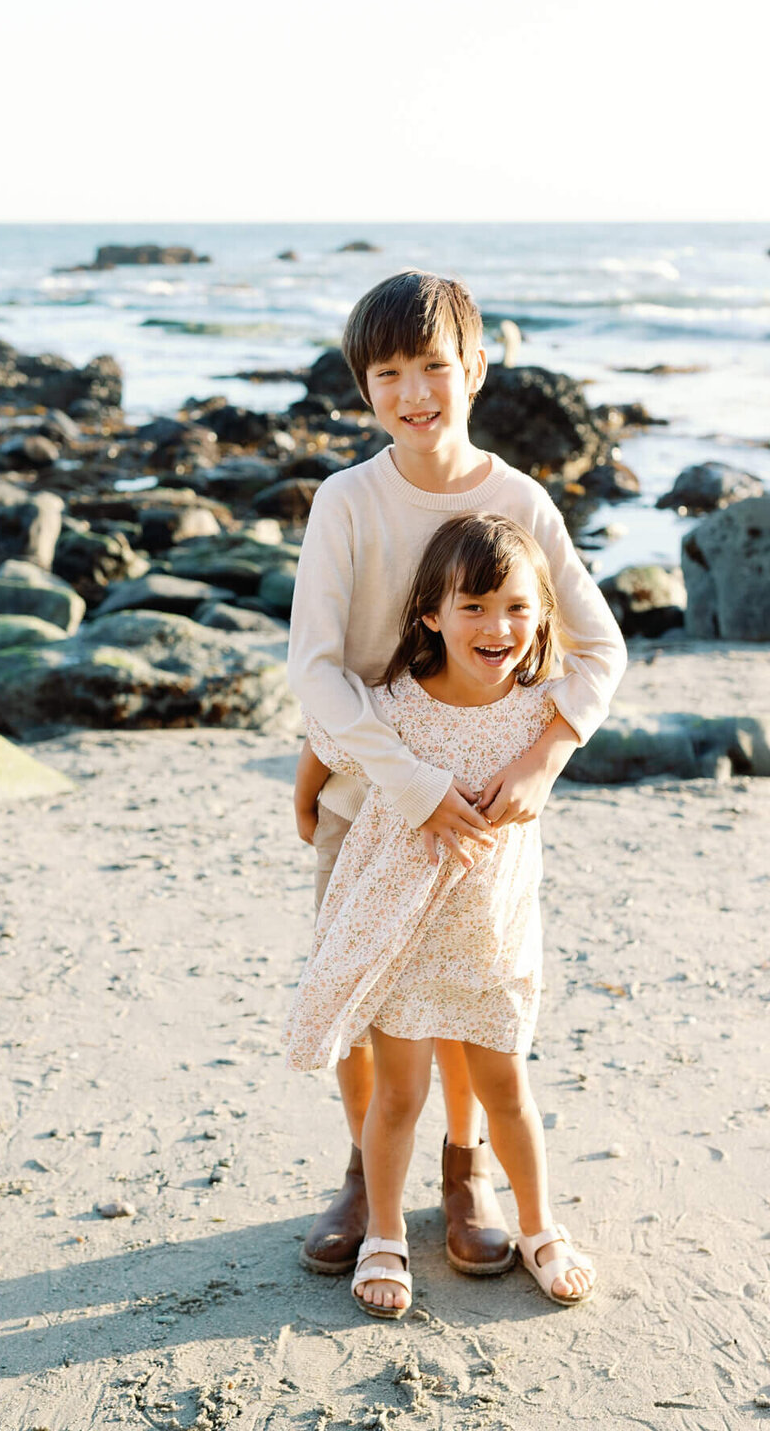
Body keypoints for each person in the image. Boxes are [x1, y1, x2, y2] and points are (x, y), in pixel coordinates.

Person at [286, 269, 626, 1280]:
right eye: (387, 373)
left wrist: (545, 754)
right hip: (369, 800)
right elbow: (316, 669)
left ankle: (465, 1164)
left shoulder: (518, 500)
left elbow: (599, 647)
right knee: (364, 992)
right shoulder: (348, 500)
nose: (413, 391)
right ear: (364, 387)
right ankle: (366, 1171)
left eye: (432, 366)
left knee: (472, 995)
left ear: (475, 368)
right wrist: (406, 784)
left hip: (486, 808)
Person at [286, 514, 597, 1315]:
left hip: (492, 939)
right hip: (408, 938)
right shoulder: (396, 706)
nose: (498, 627)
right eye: (475, 607)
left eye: (517, 608)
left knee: (508, 1091)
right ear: (430, 614)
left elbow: (604, 663)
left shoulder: (542, 714)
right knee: (399, 1095)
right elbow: (325, 739)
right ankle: (385, 1234)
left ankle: (540, 1228)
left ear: (542, 615)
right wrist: (304, 806)